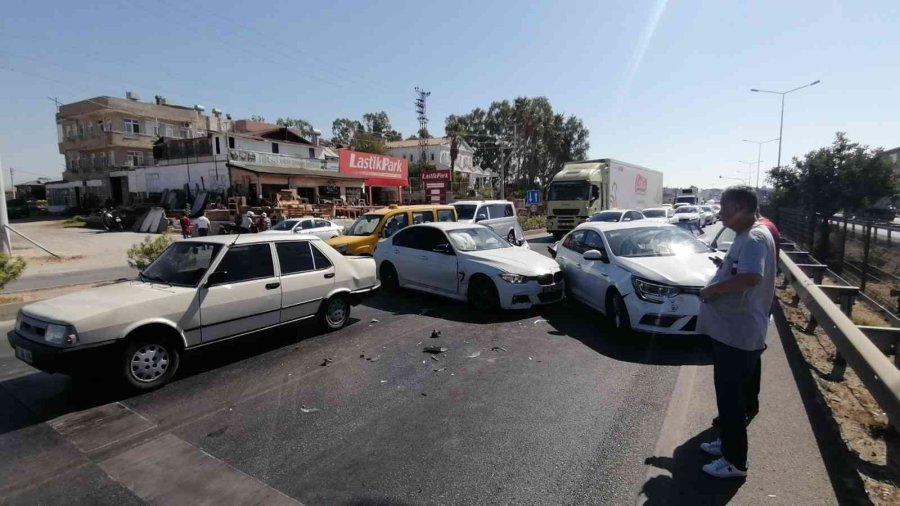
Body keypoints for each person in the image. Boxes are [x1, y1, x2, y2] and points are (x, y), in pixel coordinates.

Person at [697, 185, 776, 479]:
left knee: (731, 399)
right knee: (729, 396)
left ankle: (735, 462)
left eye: (725, 208)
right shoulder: (747, 234)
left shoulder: (754, 236)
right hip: (733, 331)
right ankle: (727, 444)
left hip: (738, 333)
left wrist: (711, 289)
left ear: (742, 208)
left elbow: (750, 277)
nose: (720, 214)